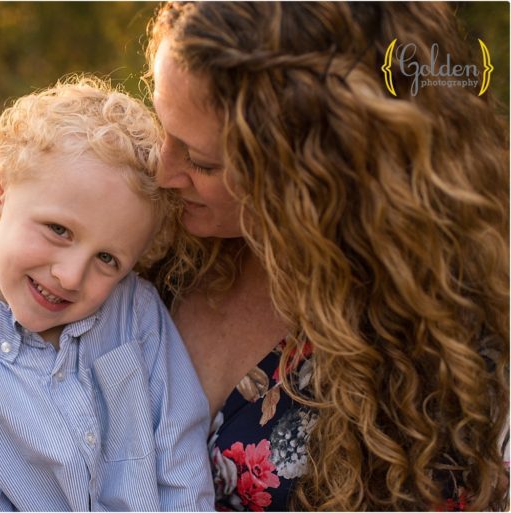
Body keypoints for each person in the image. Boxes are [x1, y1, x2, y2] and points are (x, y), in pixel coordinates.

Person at [145, 2, 508, 510]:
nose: (161, 171)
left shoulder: (448, 350)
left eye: (201, 161)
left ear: (313, 172)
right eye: (161, 125)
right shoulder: (147, 229)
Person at [0, 76, 212, 511]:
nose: (70, 276)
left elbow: (181, 461)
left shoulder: (134, 313)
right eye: (59, 230)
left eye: (107, 259)